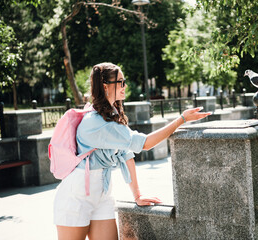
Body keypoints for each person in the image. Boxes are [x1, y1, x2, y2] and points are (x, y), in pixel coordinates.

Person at [53, 62, 211, 240]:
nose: (125, 86)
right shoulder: (95, 122)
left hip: (102, 193)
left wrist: (137, 195)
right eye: (120, 82)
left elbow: (126, 154)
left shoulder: (110, 115)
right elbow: (144, 143)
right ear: (106, 86)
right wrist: (180, 120)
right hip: (76, 195)